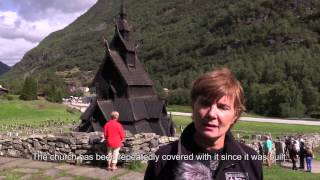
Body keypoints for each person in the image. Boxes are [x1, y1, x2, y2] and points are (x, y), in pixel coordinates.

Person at [144, 68, 263, 180]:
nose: (211, 114)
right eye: (205, 104)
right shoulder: (163, 159)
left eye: (222, 107)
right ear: (193, 106)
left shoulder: (250, 160)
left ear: (235, 115)